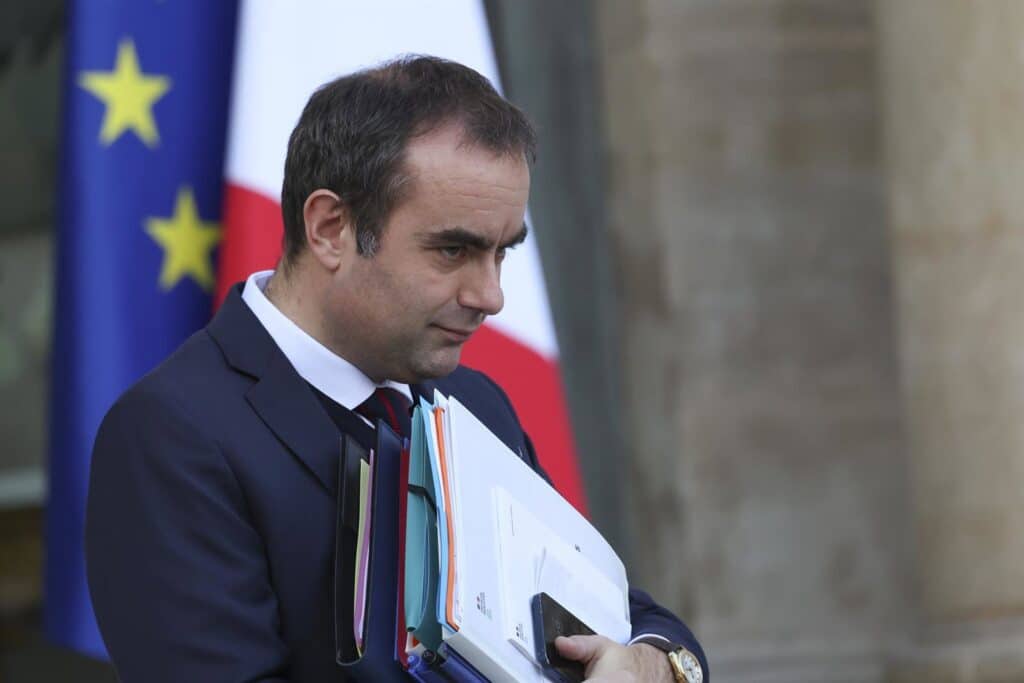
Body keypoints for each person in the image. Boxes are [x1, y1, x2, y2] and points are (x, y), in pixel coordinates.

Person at [85, 55, 707, 683]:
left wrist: (651, 665)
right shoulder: (171, 435)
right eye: (453, 249)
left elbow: (622, 612)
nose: (490, 296)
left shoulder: (475, 402)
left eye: (502, 252)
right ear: (331, 228)